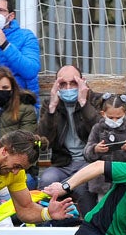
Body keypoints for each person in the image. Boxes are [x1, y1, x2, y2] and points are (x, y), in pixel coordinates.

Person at [37, 64, 104, 216]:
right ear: (57, 85)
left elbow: (102, 133)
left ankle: (89, 223)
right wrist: (52, 108)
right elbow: (43, 142)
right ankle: (50, 223)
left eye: (73, 83)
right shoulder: (50, 104)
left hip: (90, 162)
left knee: (82, 184)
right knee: (47, 179)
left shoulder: (95, 100)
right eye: (63, 84)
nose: (68, 87)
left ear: (82, 81)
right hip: (62, 164)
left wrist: (83, 103)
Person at [82, 92, 126, 199]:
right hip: (101, 181)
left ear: (125, 114)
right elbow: (87, 153)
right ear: (103, 113)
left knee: (121, 207)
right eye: (111, 117)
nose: (114, 120)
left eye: (118, 117)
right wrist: (96, 149)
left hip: (123, 179)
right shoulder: (97, 129)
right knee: (102, 205)